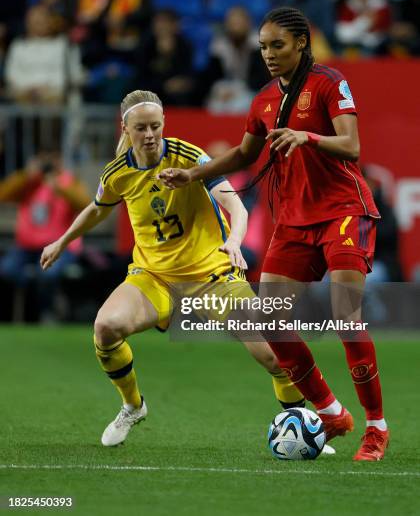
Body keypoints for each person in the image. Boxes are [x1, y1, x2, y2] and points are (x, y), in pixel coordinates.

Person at [158, 7, 389, 461]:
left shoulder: (329, 83)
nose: (268, 54)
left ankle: (376, 428)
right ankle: (331, 412)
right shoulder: (264, 99)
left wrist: (308, 138)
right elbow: (245, 154)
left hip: (343, 211)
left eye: (277, 45)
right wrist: (193, 174)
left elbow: (353, 146)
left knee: (345, 314)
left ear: (301, 42)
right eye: (262, 46)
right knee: (271, 321)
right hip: (294, 221)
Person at [40, 89, 326, 449]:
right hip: (154, 276)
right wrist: (62, 241)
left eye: (155, 126)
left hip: (213, 277)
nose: (149, 134)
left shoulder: (188, 156)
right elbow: (98, 209)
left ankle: (300, 427)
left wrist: (235, 242)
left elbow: (236, 207)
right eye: (141, 127)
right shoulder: (119, 172)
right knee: (106, 327)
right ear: (125, 129)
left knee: (273, 352)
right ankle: (132, 405)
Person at [0, 150, 91, 321]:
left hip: (59, 247)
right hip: (26, 248)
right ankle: (28, 310)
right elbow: (3, 194)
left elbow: (85, 204)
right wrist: (27, 175)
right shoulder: (29, 182)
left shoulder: (68, 181)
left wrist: (60, 187)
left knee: (48, 274)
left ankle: (48, 312)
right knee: (7, 269)